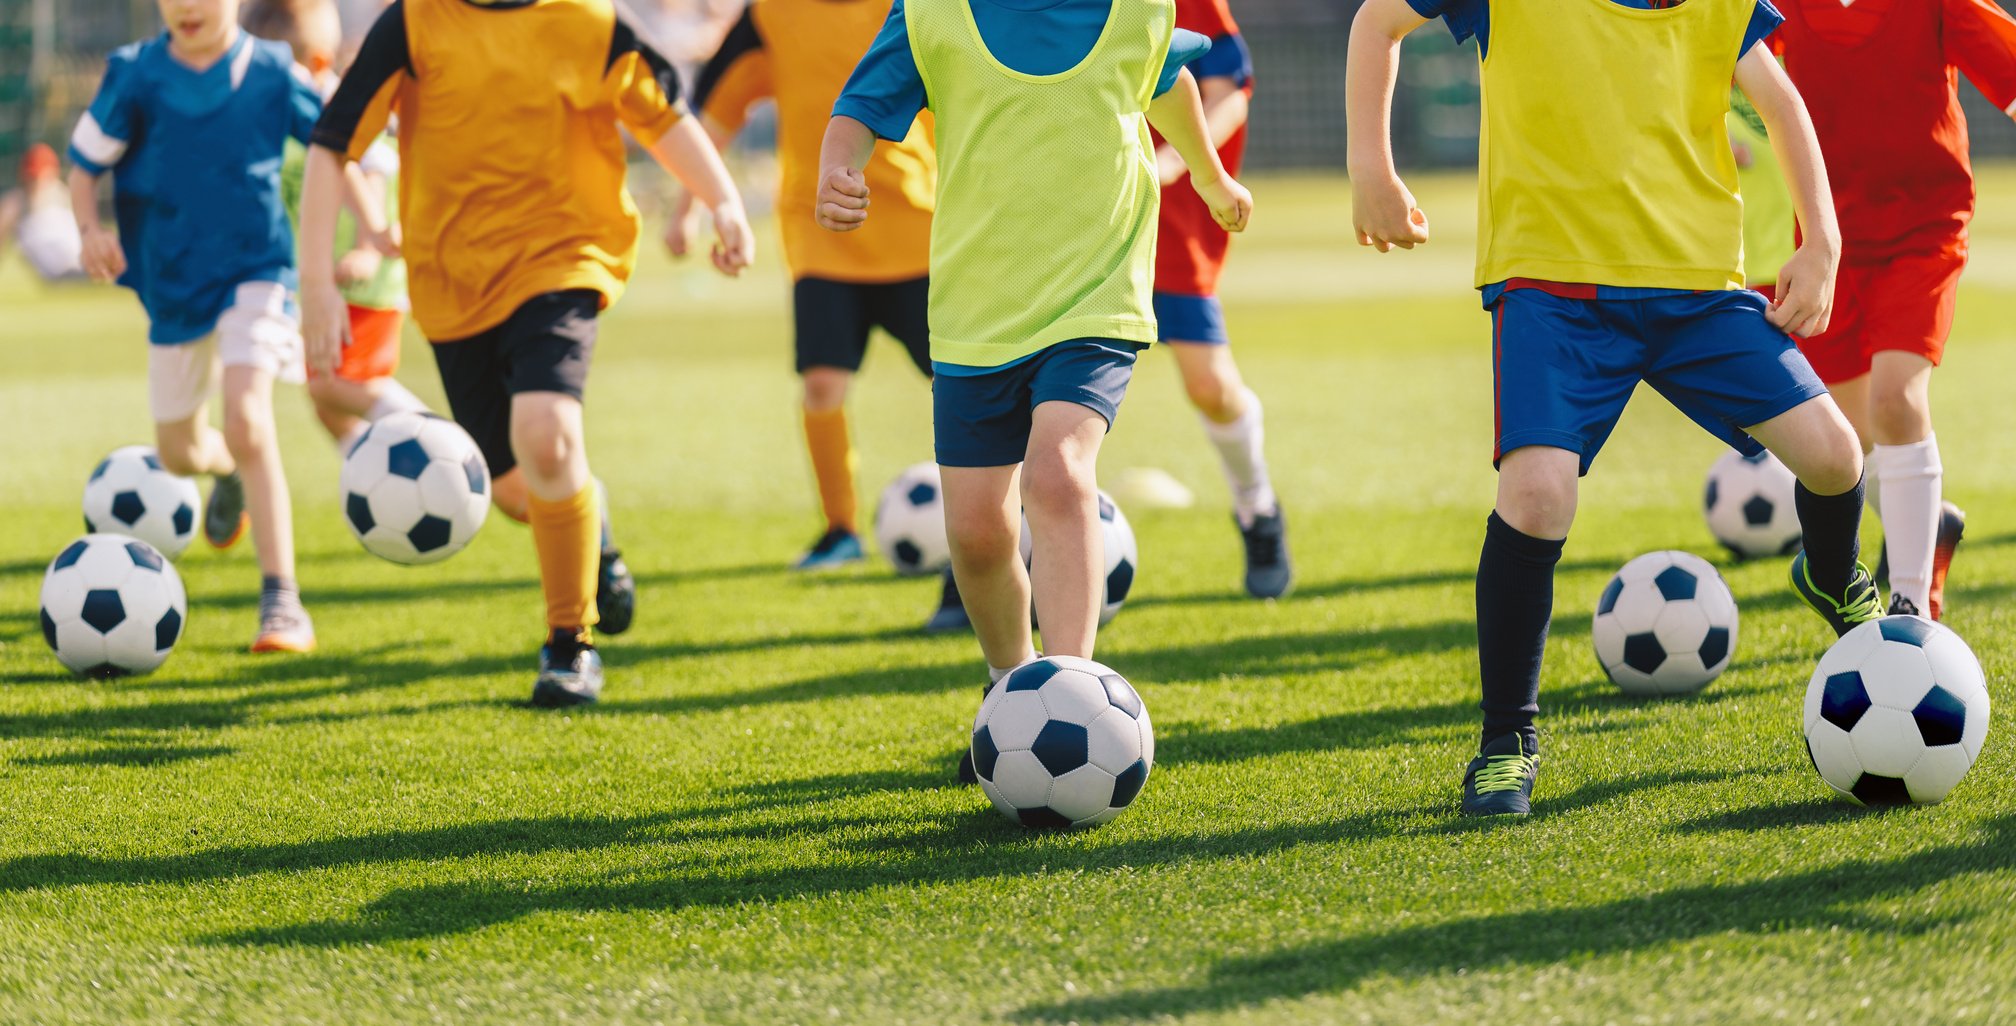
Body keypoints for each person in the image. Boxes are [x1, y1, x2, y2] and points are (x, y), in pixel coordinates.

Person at [1347, 0, 1875, 817]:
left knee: (1836, 455)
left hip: (1697, 290)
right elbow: (1375, 24)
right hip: (1551, 290)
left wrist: (1823, 240)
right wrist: (1371, 169)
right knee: (1536, 496)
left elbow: (1781, 103)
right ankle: (1505, 741)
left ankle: (1834, 579)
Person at [821, 0, 1251, 776]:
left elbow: (1168, 81)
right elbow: (859, 106)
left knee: (1057, 472)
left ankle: (1072, 687)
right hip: (976, 311)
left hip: (1097, 294)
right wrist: (837, 165)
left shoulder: (1137, 8)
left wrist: (1214, 180)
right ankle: (1011, 688)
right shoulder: (930, 14)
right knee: (979, 534)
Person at [299, 0, 754, 706]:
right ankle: (591, 531)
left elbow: (664, 115)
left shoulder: (593, 20)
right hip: (453, 283)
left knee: (546, 433)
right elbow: (333, 147)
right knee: (516, 492)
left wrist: (722, 200)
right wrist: (318, 284)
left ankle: (570, 643)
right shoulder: (414, 22)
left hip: (563, 256)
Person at [68, 0, 322, 653]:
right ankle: (226, 472)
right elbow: (85, 166)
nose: (185, 6)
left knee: (247, 415)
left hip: (258, 269)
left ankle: (282, 603)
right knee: (181, 452)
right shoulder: (137, 73)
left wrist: (375, 224)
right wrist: (90, 230)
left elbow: (336, 146)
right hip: (172, 282)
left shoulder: (272, 70)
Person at [1771, 0, 2016, 621]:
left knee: (1896, 401)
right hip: (1829, 248)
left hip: (1922, 232)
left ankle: (1913, 605)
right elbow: (1733, 81)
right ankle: (1928, 525)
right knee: (1845, 440)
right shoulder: (1776, 8)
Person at [677, 0, 937, 573]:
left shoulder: (915, 6)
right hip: (819, 229)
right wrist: (685, 206)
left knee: (961, 385)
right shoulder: (771, 12)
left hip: (917, 225)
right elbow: (713, 114)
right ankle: (841, 528)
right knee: (822, 384)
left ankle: (1001, 516)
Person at [246, 0, 433, 452]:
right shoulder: (273, 116)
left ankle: (438, 440)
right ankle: (371, 469)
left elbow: (375, 163)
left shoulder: (333, 105)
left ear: (317, 63)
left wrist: (369, 245)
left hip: (366, 280)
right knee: (325, 400)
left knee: (331, 385)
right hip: (322, 281)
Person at [1152, 0, 1291, 600]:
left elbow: (1229, 89)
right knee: (1038, 395)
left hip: (1168, 226)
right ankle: (1000, 552)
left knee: (1210, 386)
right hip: (1067, 222)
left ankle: (1257, 507)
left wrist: (1178, 158)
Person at [0, 144, 86, 283]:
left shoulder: (65, 193)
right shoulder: (16, 203)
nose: (36, 182)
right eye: (32, 176)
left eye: (39, 176)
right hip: (58, 272)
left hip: (81, 262)